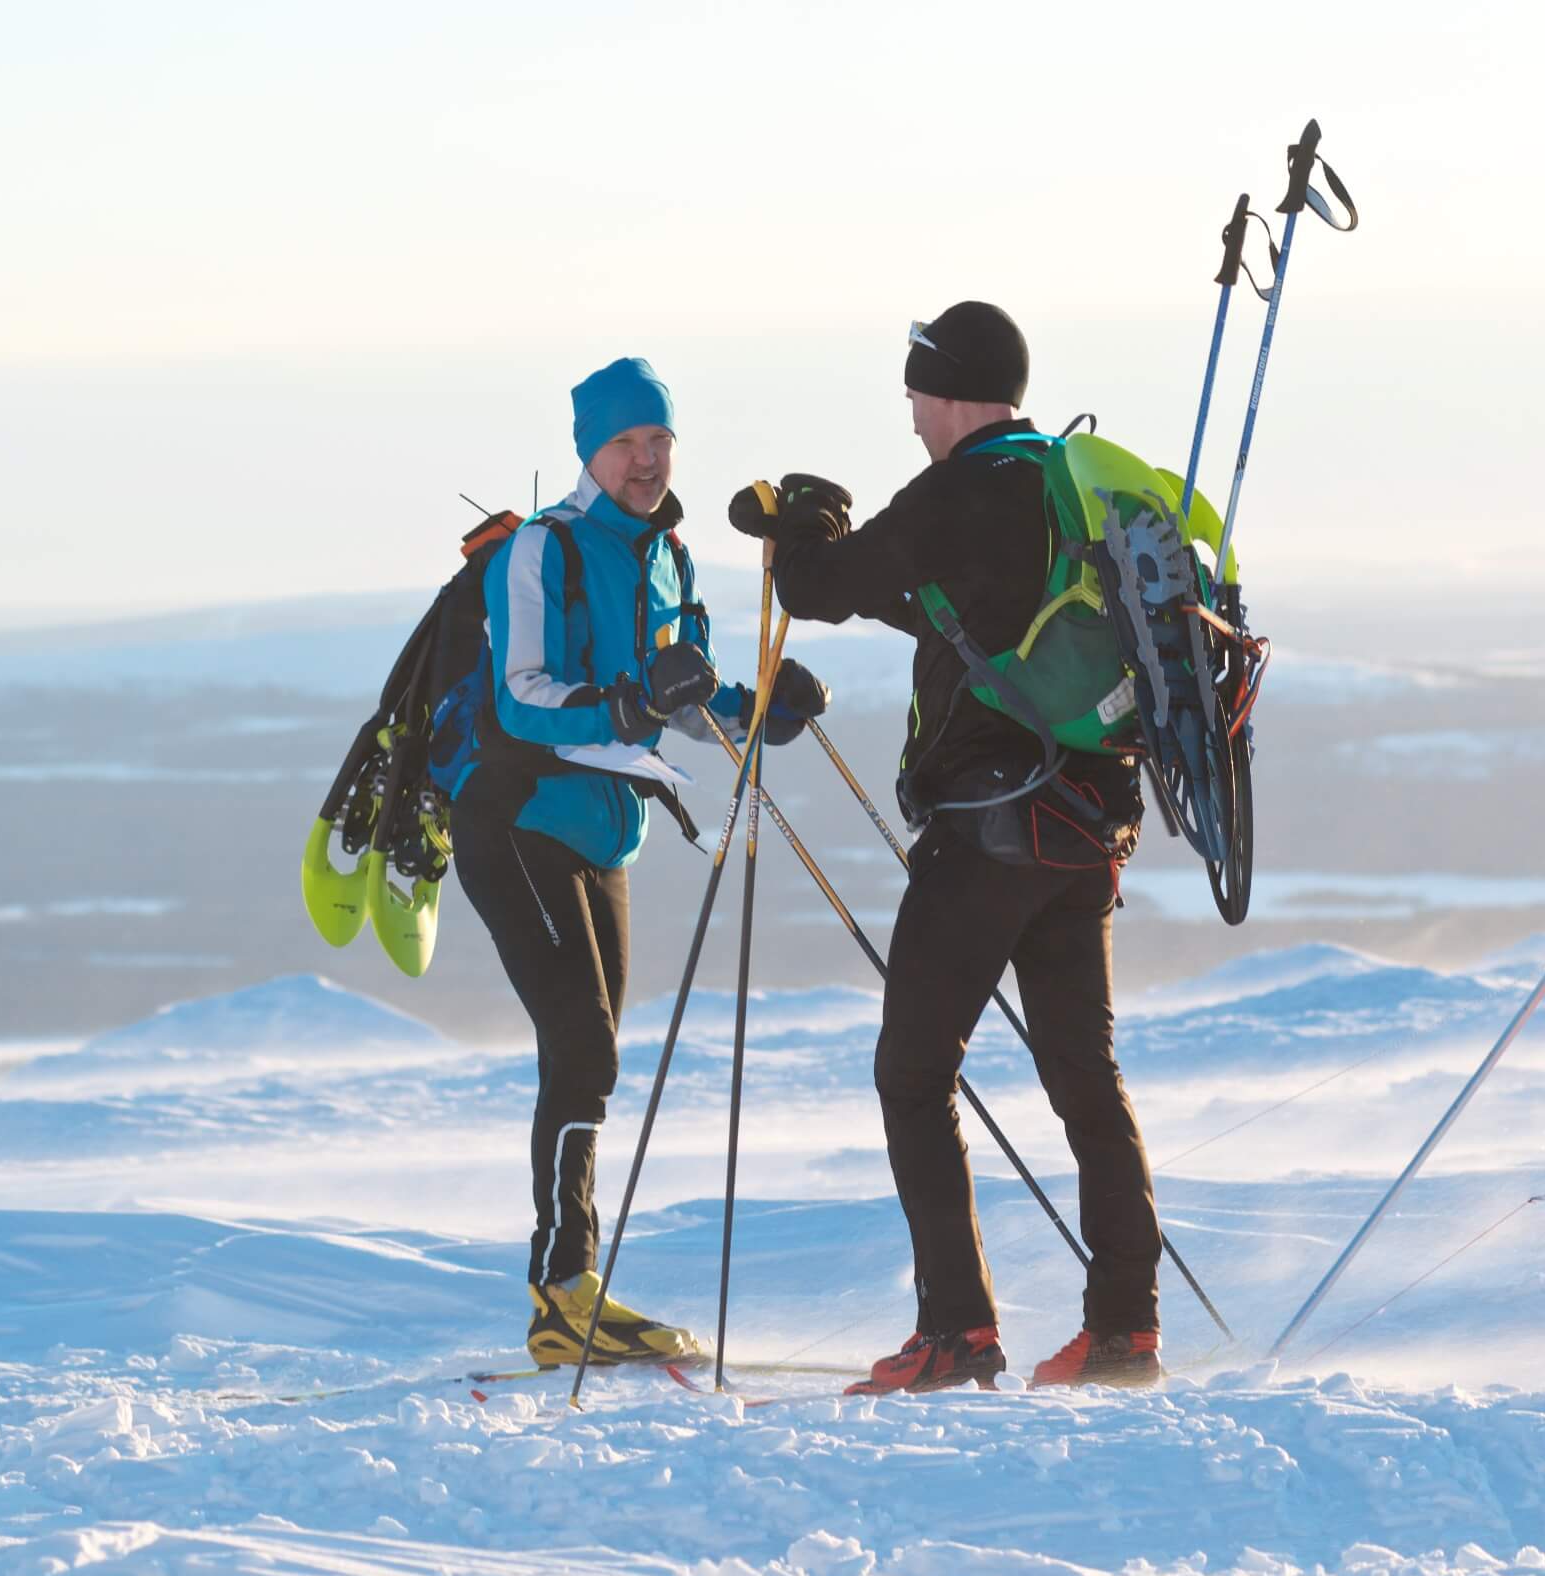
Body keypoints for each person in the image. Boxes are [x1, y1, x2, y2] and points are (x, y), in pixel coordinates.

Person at [728, 302, 1163, 1393]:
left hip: (988, 835)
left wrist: (795, 530)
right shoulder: (1069, 486)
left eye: (917, 393)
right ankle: (1123, 1326)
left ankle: (956, 1328)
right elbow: (946, 613)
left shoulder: (959, 487)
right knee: (1085, 1076)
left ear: (952, 388)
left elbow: (825, 589)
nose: (913, 415)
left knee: (914, 1071)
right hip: (1087, 826)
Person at [451, 355, 831, 1367]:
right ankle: (560, 1291)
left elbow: (687, 697)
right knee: (583, 1042)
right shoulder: (545, 551)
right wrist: (621, 703)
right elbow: (522, 694)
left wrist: (759, 714)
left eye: (660, 441)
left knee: (592, 1052)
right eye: (628, 442)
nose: (648, 459)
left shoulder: (673, 557)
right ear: (590, 450)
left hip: (603, 829)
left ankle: (571, 1290)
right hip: (518, 818)